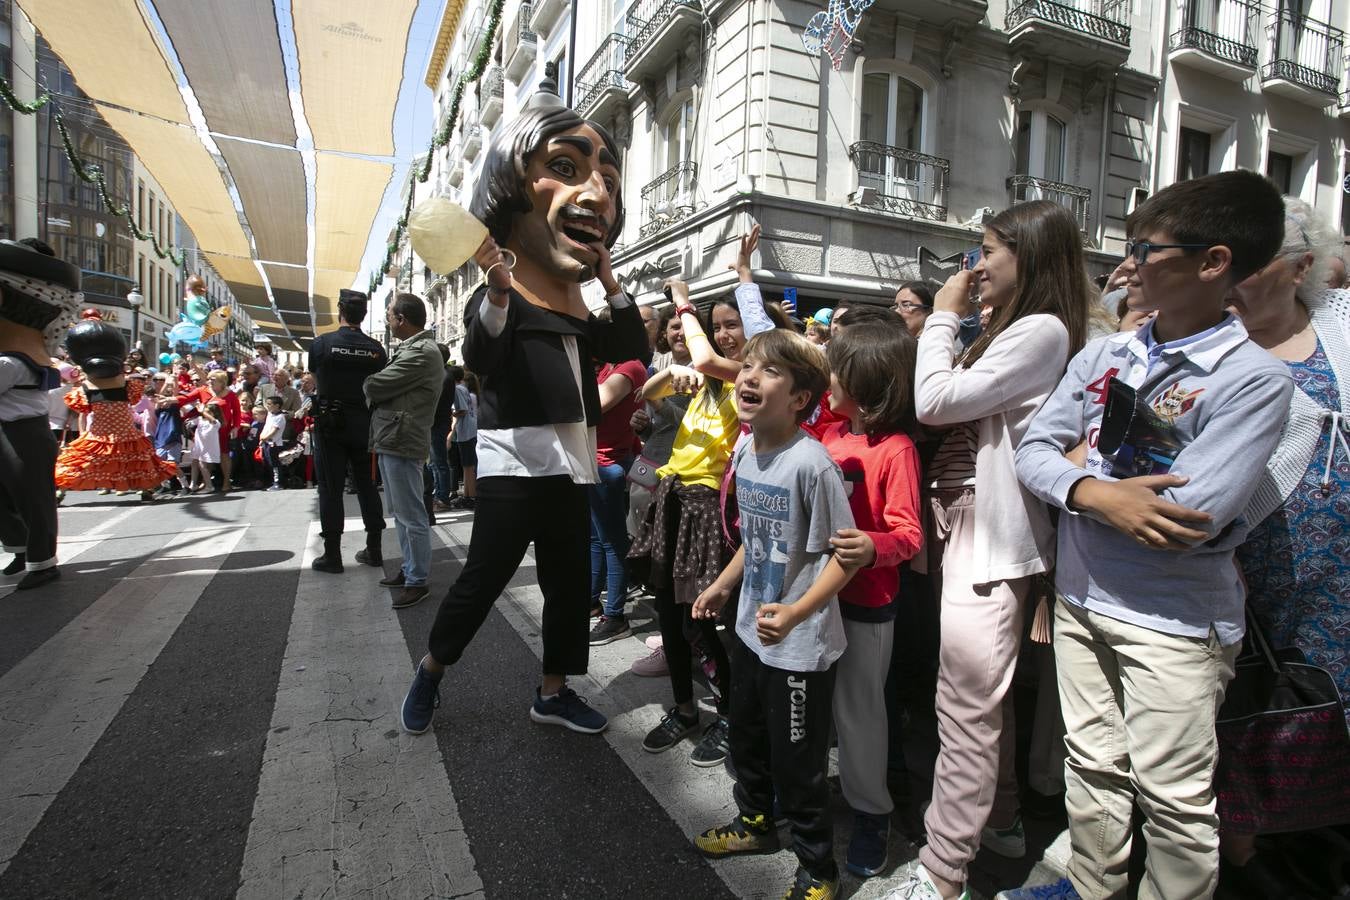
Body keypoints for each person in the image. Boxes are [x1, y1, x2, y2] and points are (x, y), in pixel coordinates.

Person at [1010, 170, 1295, 900]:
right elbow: (1033, 452)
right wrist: (1099, 491)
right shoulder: (1106, 355)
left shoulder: (1253, 378)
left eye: (1147, 248)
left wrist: (1078, 475)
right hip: (1080, 598)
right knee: (1093, 773)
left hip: (1172, 624)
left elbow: (1184, 520)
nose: (1129, 263)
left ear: (1214, 262)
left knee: (1174, 801)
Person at [399, 78, 649, 738]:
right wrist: (500, 290)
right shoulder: (502, 305)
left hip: (572, 466)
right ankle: (430, 670)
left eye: (608, 182)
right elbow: (481, 354)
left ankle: (554, 690)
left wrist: (609, 279)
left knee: (569, 588)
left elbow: (631, 347)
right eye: (564, 168)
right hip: (514, 467)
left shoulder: (580, 309)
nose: (597, 194)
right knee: (481, 583)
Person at [892, 200, 1090, 900]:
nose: (975, 269)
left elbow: (936, 401)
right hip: (969, 530)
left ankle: (942, 873)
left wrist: (942, 316)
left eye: (987, 251)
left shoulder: (1040, 329)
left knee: (965, 706)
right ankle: (1000, 820)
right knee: (983, 702)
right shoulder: (1021, 327)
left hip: (991, 537)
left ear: (1028, 255)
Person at [689, 328, 857, 900]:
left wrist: (794, 613)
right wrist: (720, 586)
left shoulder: (813, 465)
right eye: (747, 367)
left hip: (799, 646)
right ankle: (755, 824)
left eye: (770, 372)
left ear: (801, 399)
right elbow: (755, 540)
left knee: (799, 764)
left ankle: (818, 868)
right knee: (748, 742)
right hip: (750, 633)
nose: (749, 377)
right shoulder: (745, 447)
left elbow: (844, 559)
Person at [1218, 199, 1350, 896]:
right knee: (1257, 756)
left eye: (1250, 258)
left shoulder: (1344, 332)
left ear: (1301, 267)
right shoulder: (1204, 348)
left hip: (1340, 600)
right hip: (1252, 603)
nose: (1230, 273)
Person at [628, 236, 788, 764]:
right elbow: (648, 397)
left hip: (707, 511)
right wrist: (667, 377)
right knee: (670, 621)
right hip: (670, 499)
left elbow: (712, 350)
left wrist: (684, 300)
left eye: (733, 325)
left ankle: (727, 713)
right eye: (717, 326)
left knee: (701, 620)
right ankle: (684, 708)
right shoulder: (708, 381)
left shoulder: (750, 381)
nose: (724, 335)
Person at [817, 319, 924, 878]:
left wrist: (871, 545)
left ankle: (871, 814)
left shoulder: (897, 448)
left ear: (868, 377)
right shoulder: (829, 435)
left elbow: (909, 535)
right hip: (815, 600)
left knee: (860, 713)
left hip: (868, 602)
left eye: (838, 366)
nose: (827, 376)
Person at [0, 239, 80, 589]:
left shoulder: (12, 361)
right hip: (10, 432)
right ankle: (20, 547)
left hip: (23, 434)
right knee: (8, 497)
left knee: (34, 498)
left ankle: (43, 562)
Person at [363, 292, 443, 609]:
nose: (387, 318)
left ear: (401, 319)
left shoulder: (422, 352)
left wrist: (373, 385)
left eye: (389, 313)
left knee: (411, 515)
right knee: (401, 514)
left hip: (402, 438)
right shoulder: (414, 349)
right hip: (395, 436)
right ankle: (410, 571)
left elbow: (374, 386)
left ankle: (417, 579)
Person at [56, 311, 178, 507]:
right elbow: (83, 410)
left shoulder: (119, 384)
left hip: (119, 434)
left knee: (129, 461)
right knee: (83, 461)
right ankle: (60, 491)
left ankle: (146, 489)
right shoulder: (93, 386)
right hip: (101, 435)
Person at [307, 289, 387, 573]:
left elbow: (316, 380)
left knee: (330, 488)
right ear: (364, 314)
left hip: (331, 423)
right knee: (367, 486)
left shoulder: (321, 344)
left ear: (339, 310)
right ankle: (375, 548)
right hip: (365, 423)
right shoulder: (377, 349)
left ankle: (332, 555)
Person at [587, 337, 648, 644]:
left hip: (606, 464)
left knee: (612, 541)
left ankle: (615, 615)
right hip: (595, 462)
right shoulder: (610, 367)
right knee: (596, 539)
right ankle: (593, 600)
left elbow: (593, 406)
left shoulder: (630, 367)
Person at [448, 368, 478, 510]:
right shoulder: (464, 389)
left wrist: (452, 413)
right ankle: (467, 495)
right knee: (467, 466)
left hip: (466, 431)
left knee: (468, 466)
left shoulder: (458, 389)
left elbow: (463, 410)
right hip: (467, 431)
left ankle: (470, 497)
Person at [429, 352, 455, 511]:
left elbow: (435, 402)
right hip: (439, 422)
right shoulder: (445, 374)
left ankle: (442, 498)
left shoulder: (443, 376)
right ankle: (439, 495)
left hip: (437, 423)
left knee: (439, 462)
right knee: (435, 462)